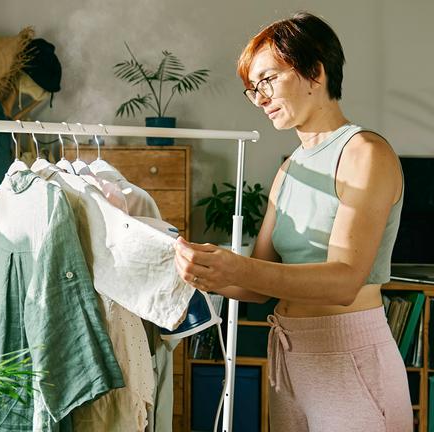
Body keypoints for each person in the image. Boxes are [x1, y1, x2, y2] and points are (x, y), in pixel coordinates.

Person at [174, 12, 412, 431]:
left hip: (349, 356)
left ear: (314, 72)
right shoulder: (290, 170)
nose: (260, 97)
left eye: (268, 79)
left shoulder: (364, 153)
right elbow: (254, 284)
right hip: (289, 357)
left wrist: (237, 265)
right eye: (253, 88)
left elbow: (344, 282)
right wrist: (190, 264)